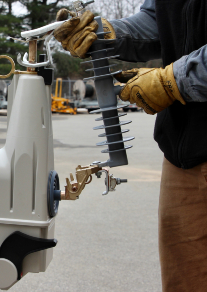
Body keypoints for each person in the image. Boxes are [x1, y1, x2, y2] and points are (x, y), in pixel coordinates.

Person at [54, 1, 207, 291]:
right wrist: (108, 32)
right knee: (184, 282)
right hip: (182, 155)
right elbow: (158, 21)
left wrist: (173, 80)